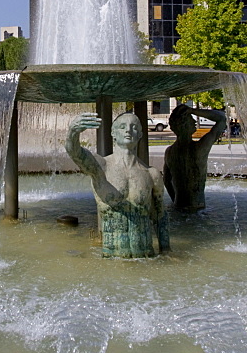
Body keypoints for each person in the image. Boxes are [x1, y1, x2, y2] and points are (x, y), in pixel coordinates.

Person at [65, 111, 169, 258]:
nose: (128, 130)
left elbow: (160, 215)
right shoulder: (101, 167)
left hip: (145, 259)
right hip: (112, 260)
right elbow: (75, 153)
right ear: (113, 133)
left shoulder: (152, 174)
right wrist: (73, 132)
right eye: (122, 126)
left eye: (134, 127)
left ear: (140, 134)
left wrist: (166, 250)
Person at [163, 104, 227, 212]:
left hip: (178, 206)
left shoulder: (169, 152)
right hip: (197, 206)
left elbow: (166, 181)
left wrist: (175, 200)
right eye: (191, 119)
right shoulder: (199, 148)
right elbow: (221, 119)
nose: (194, 122)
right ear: (185, 125)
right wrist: (193, 110)